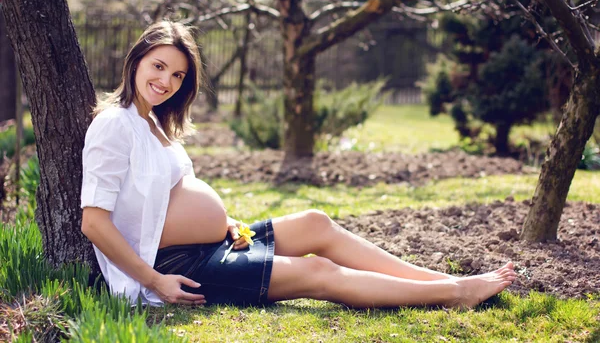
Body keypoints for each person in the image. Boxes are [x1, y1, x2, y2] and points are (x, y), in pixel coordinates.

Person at [80, 20, 517, 309]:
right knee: (317, 271)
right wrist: (155, 281)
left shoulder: (155, 123)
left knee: (316, 223)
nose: (167, 81)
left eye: (178, 75)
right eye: (159, 67)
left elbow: (169, 194)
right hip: (178, 268)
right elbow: (95, 223)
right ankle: (453, 293)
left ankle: (435, 280)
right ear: (135, 60)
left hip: (210, 245)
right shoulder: (114, 124)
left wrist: (224, 221)